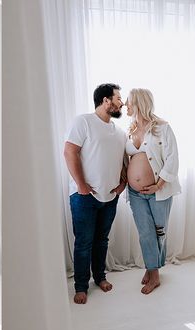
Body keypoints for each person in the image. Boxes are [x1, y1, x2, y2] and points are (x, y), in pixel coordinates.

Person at [64, 84, 127, 305]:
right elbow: (70, 150)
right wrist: (81, 185)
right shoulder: (84, 122)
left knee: (102, 240)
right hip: (84, 196)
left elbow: (122, 161)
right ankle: (81, 286)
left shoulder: (119, 132)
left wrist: (123, 183)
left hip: (110, 197)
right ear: (106, 100)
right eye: (119, 98)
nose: (123, 102)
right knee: (84, 242)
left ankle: (100, 277)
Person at [124, 89, 180, 295]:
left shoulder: (162, 128)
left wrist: (159, 184)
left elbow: (173, 158)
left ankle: (152, 268)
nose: (125, 106)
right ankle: (153, 271)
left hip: (159, 190)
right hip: (136, 193)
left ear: (139, 103)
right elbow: (127, 161)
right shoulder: (130, 130)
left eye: (129, 103)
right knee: (145, 232)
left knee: (159, 231)